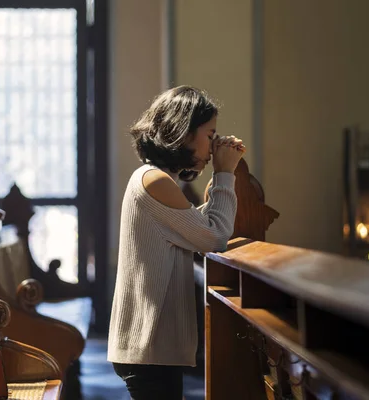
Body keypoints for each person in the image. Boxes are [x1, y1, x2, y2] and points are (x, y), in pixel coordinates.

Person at [108, 85, 245, 399]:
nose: (213, 147)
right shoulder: (155, 180)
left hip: (150, 346)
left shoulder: (153, 178)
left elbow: (195, 227)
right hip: (149, 347)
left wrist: (221, 179)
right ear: (183, 133)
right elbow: (215, 237)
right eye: (210, 135)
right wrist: (225, 174)